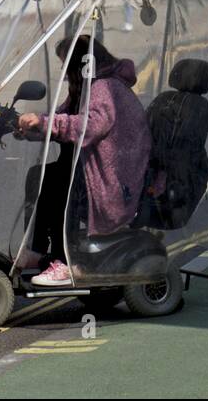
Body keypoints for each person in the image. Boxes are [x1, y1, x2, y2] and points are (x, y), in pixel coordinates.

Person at [16, 36, 151, 287]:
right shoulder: (86, 86)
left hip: (113, 180)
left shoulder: (104, 87)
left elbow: (90, 127)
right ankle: (38, 250)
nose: (64, 73)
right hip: (92, 168)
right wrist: (33, 127)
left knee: (58, 185)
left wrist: (44, 122)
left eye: (65, 65)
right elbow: (63, 117)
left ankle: (63, 260)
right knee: (40, 175)